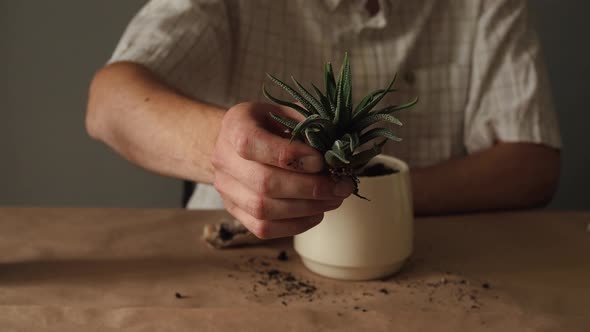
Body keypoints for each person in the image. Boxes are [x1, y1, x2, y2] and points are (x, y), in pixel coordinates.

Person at [86, 0, 561, 239]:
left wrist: (373, 199)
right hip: (240, 249)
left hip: (416, 258)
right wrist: (222, 150)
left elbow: (532, 164)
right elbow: (109, 103)